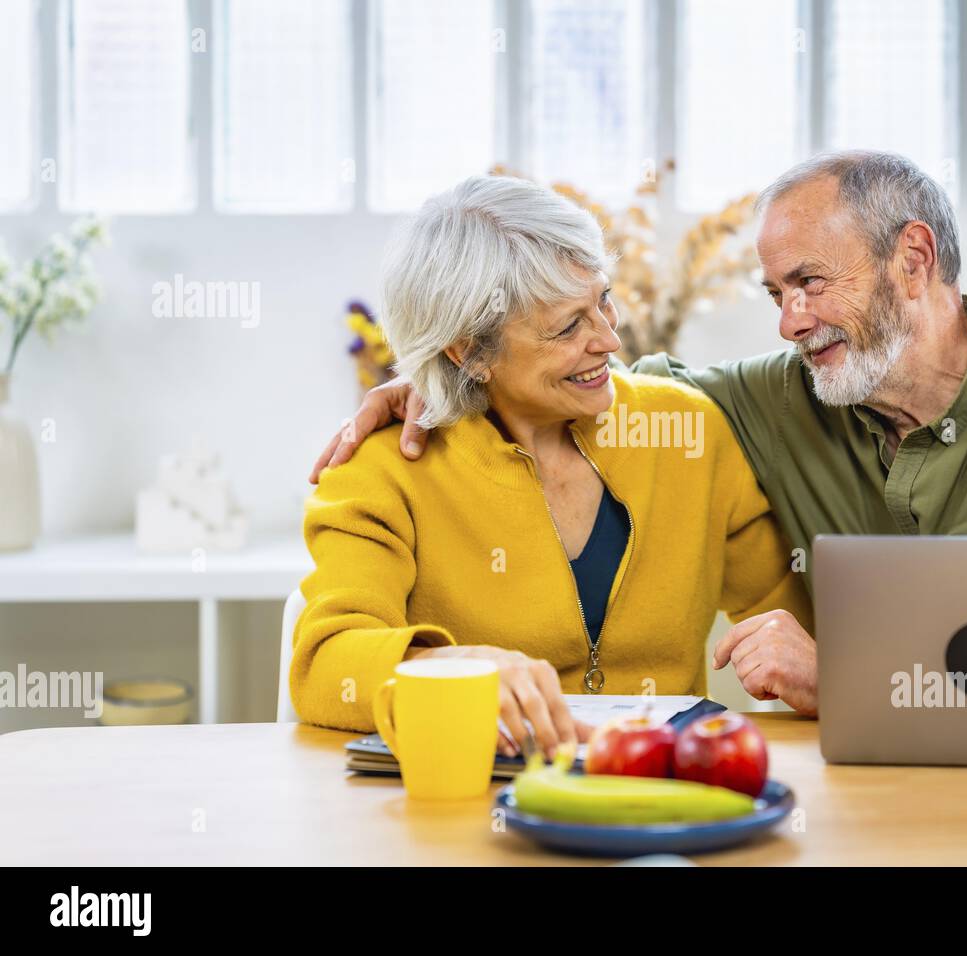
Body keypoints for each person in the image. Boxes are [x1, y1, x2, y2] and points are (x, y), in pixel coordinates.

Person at [313, 151, 967, 709]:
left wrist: (848, 676)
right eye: (777, 295)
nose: (790, 323)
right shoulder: (783, 394)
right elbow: (632, 397)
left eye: (811, 283)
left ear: (915, 260)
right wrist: (434, 383)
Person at [293, 175, 813, 757]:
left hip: (658, 797)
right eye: (569, 326)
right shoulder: (384, 466)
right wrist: (451, 668)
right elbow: (325, 665)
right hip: (468, 809)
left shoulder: (687, 431)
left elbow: (799, 625)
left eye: (604, 299)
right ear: (468, 349)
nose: (610, 340)